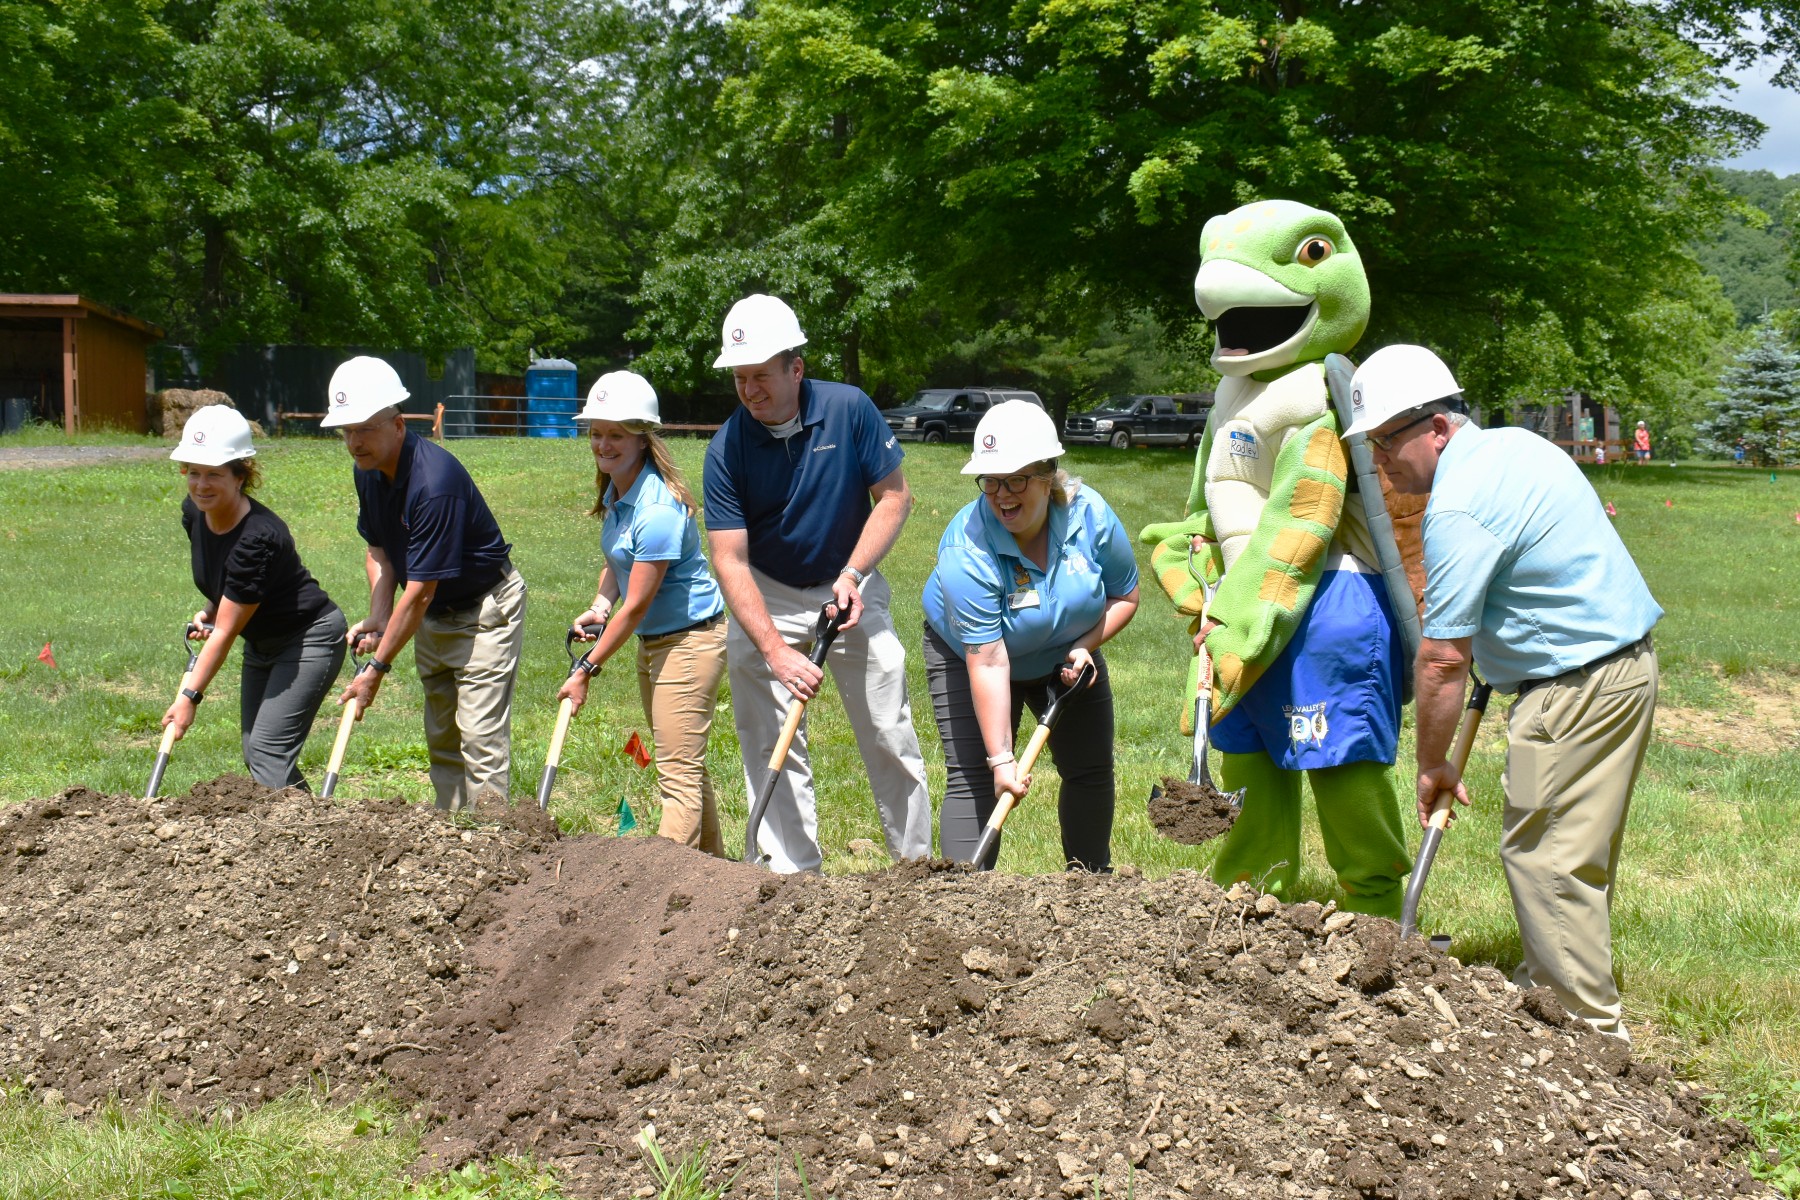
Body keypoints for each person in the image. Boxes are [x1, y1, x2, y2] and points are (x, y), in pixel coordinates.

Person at [1347, 344, 1662, 1041]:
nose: (1381, 461)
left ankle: (1585, 1037)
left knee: (1546, 857)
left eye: (1387, 440)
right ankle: (1551, 983)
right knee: (1573, 851)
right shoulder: (1518, 448)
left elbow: (1440, 661)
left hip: (1574, 687)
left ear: (1436, 426)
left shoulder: (1458, 505)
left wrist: (1433, 767)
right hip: (1621, 667)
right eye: (1371, 445)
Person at [703, 294, 932, 872]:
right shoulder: (727, 447)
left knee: (887, 724)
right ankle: (789, 875)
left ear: (795, 368)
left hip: (847, 578)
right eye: (740, 378)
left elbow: (895, 497)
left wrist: (853, 575)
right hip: (768, 590)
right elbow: (730, 560)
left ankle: (917, 870)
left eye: (761, 376)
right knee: (765, 736)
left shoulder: (850, 409)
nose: (750, 390)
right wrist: (776, 650)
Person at [923, 402, 1139, 871]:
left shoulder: (1091, 516)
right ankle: (962, 907)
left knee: (1089, 770)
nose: (1001, 494)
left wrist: (1085, 646)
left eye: (1016, 479)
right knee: (974, 779)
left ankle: (1090, 892)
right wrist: (1002, 760)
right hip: (970, 655)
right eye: (991, 480)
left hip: (1066, 653)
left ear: (1048, 476)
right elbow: (988, 660)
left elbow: (1125, 595)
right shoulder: (966, 549)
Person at [320, 356, 527, 811]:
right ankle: (451, 843)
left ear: (397, 425)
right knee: (443, 736)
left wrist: (376, 668)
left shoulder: (434, 482)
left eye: (364, 428)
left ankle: (495, 849)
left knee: (479, 738)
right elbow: (379, 548)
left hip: (484, 609)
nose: (354, 442)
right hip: (432, 615)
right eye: (346, 430)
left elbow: (419, 591)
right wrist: (378, 612)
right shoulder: (368, 470)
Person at [556, 372, 730, 856]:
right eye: (595, 432)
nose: (602, 444)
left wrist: (588, 668)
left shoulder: (656, 509)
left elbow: (636, 606)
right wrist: (598, 605)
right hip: (657, 643)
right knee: (683, 765)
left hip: (690, 643)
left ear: (640, 438)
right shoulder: (618, 491)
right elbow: (620, 563)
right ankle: (717, 874)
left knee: (677, 773)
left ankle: (661, 888)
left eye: (615, 434)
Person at [161, 406, 347, 789]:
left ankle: (305, 838)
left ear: (240, 476)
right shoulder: (195, 514)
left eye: (214, 474)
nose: (201, 485)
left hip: (308, 638)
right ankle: (310, 828)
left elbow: (226, 634)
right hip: (262, 642)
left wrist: (188, 697)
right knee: (257, 751)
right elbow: (225, 582)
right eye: (193, 472)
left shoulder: (258, 537)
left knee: (267, 752)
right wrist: (212, 608)